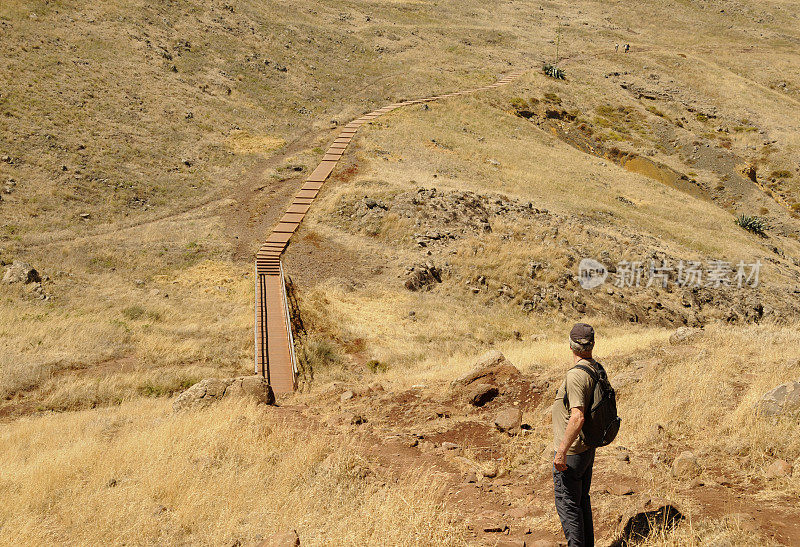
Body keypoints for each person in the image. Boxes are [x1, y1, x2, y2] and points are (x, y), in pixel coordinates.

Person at [552, 323, 606, 547]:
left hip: (573, 452)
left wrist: (561, 452)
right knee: (581, 500)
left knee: (568, 504)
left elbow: (577, 417)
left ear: (571, 346)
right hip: (586, 448)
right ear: (592, 344)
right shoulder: (597, 367)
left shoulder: (576, 375)